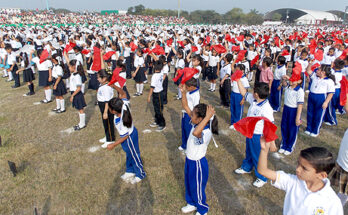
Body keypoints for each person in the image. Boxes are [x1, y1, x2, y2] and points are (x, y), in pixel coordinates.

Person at [258, 140, 343, 215]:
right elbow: (263, 171)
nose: (297, 169)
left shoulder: (332, 202)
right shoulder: (293, 182)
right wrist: (264, 150)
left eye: (304, 168)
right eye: (298, 164)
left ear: (322, 175)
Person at [180, 103, 218, 215]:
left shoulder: (205, 132)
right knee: (189, 183)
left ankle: (202, 209)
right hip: (189, 160)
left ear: (201, 119)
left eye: (193, 115)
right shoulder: (196, 123)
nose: (191, 116)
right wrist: (183, 92)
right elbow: (186, 106)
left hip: (198, 164)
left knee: (197, 186)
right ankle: (191, 203)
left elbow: (196, 133)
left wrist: (207, 117)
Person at [234, 81, 274, 188]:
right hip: (250, 132)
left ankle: (262, 177)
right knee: (249, 151)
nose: (251, 92)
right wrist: (238, 80)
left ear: (256, 94)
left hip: (258, 136)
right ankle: (247, 167)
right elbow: (243, 92)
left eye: (253, 90)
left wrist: (270, 142)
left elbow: (270, 125)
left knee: (257, 156)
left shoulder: (266, 108)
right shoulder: (254, 100)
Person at [107, 98, 146, 184]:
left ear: (113, 111)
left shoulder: (122, 121)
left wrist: (113, 144)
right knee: (129, 154)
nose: (108, 109)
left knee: (134, 155)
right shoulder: (123, 105)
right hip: (127, 136)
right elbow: (123, 94)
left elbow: (125, 136)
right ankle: (130, 170)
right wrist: (113, 86)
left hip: (129, 138)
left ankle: (140, 174)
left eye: (109, 108)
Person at [305, 64, 335, 137]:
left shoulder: (329, 81)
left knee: (318, 114)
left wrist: (326, 102)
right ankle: (309, 128)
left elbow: (331, 93)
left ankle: (315, 130)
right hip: (312, 95)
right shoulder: (315, 76)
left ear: (323, 72)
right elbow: (308, 70)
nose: (316, 70)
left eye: (318, 69)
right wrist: (310, 63)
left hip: (320, 98)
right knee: (310, 113)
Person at [278, 73, 304, 155]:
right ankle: (284, 144)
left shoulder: (299, 91)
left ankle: (290, 147)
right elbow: (284, 84)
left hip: (294, 111)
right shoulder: (288, 87)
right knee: (284, 127)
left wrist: (297, 118)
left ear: (300, 81)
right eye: (292, 78)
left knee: (292, 129)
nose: (292, 80)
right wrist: (284, 78)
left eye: (294, 79)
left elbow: (300, 105)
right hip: (286, 109)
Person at [178, 78, 200, 152]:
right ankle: (184, 145)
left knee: (188, 131)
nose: (186, 88)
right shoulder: (188, 92)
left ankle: (189, 148)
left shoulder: (196, 94)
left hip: (189, 115)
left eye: (187, 87)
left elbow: (196, 108)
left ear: (191, 86)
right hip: (184, 113)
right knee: (183, 129)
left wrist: (192, 116)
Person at [229, 63, 249, 130]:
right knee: (232, 109)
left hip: (239, 95)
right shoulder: (235, 76)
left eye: (237, 70)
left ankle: (238, 124)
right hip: (233, 94)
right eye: (235, 69)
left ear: (242, 71)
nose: (235, 71)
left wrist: (243, 99)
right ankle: (233, 123)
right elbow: (231, 66)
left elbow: (246, 90)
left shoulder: (244, 79)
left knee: (238, 110)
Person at [68, 60, 87, 131]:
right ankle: (80, 123)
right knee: (79, 109)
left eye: (69, 66)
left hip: (77, 94)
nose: (69, 68)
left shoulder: (77, 76)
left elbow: (79, 88)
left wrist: (72, 95)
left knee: (81, 109)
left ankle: (82, 124)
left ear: (73, 67)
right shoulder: (73, 74)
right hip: (75, 93)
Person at [148, 61, 166, 132]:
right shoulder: (161, 73)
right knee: (156, 108)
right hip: (158, 92)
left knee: (159, 109)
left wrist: (149, 96)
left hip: (158, 93)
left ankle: (162, 124)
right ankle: (157, 121)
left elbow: (152, 87)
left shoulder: (155, 76)